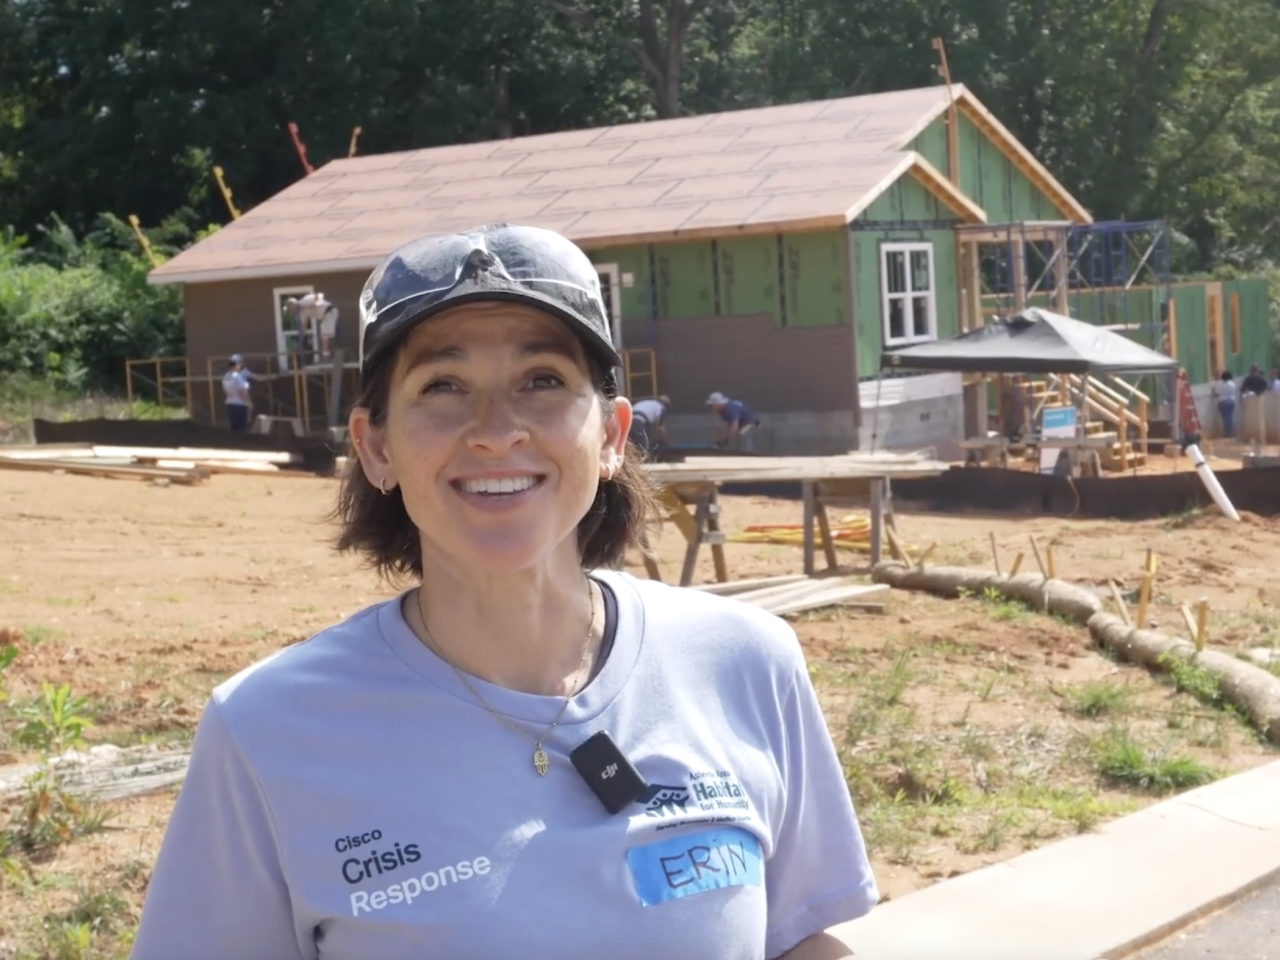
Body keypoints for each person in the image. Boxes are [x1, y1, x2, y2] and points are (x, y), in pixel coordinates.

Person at [130, 224, 878, 960]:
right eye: (443, 386)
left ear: (613, 435)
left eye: (542, 381)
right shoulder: (267, 728)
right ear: (376, 446)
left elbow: (800, 940)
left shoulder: (747, 662)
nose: (496, 431)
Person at [220, 354, 253, 433]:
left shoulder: (226, 376)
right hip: (239, 404)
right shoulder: (236, 376)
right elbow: (242, 392)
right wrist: (249, 403)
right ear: (236, 365)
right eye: (240, 364)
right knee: (241, 428)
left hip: (229, 403)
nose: (241, 366)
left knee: (233, 427)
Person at [1212, 370, 1237, 438]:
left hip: (1222, 402)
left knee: (1225, 418)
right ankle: (1230, 432)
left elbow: (1216, 394)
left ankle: (1228, 433)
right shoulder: (1232, 384)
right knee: (1229, 417)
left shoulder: (1219, 384)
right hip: (1231, 401)